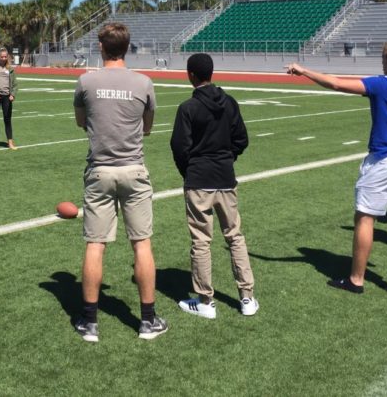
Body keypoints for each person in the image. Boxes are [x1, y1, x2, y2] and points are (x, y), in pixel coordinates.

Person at [286, 40, 387, 299]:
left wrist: (304, 71)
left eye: (384, 58)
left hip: (384, 160)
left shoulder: (382, 84)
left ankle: (356, 279)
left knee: (365, 217)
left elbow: (336, 84)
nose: (381, 62)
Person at [72, 22, 166, 342]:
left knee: (95, 245)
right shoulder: (144, 82)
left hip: (99, 170)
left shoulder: (86, 81)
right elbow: (148, 126)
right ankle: (148, 320)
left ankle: (90, 323)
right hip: (134, 170)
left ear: (102, 47)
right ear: (127, 48)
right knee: (141, 244)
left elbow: (82, 122)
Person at [170, 53, 258, 319]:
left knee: (201, 241)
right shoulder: (229, 102)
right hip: (225, 178)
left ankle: (206, 301)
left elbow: (179, 147)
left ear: (191, 75)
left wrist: (190, 170)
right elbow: (241, 139)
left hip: (199, 180)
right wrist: (227, 158)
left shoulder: (188, 108)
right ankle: (247, 297)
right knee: (235, 237)